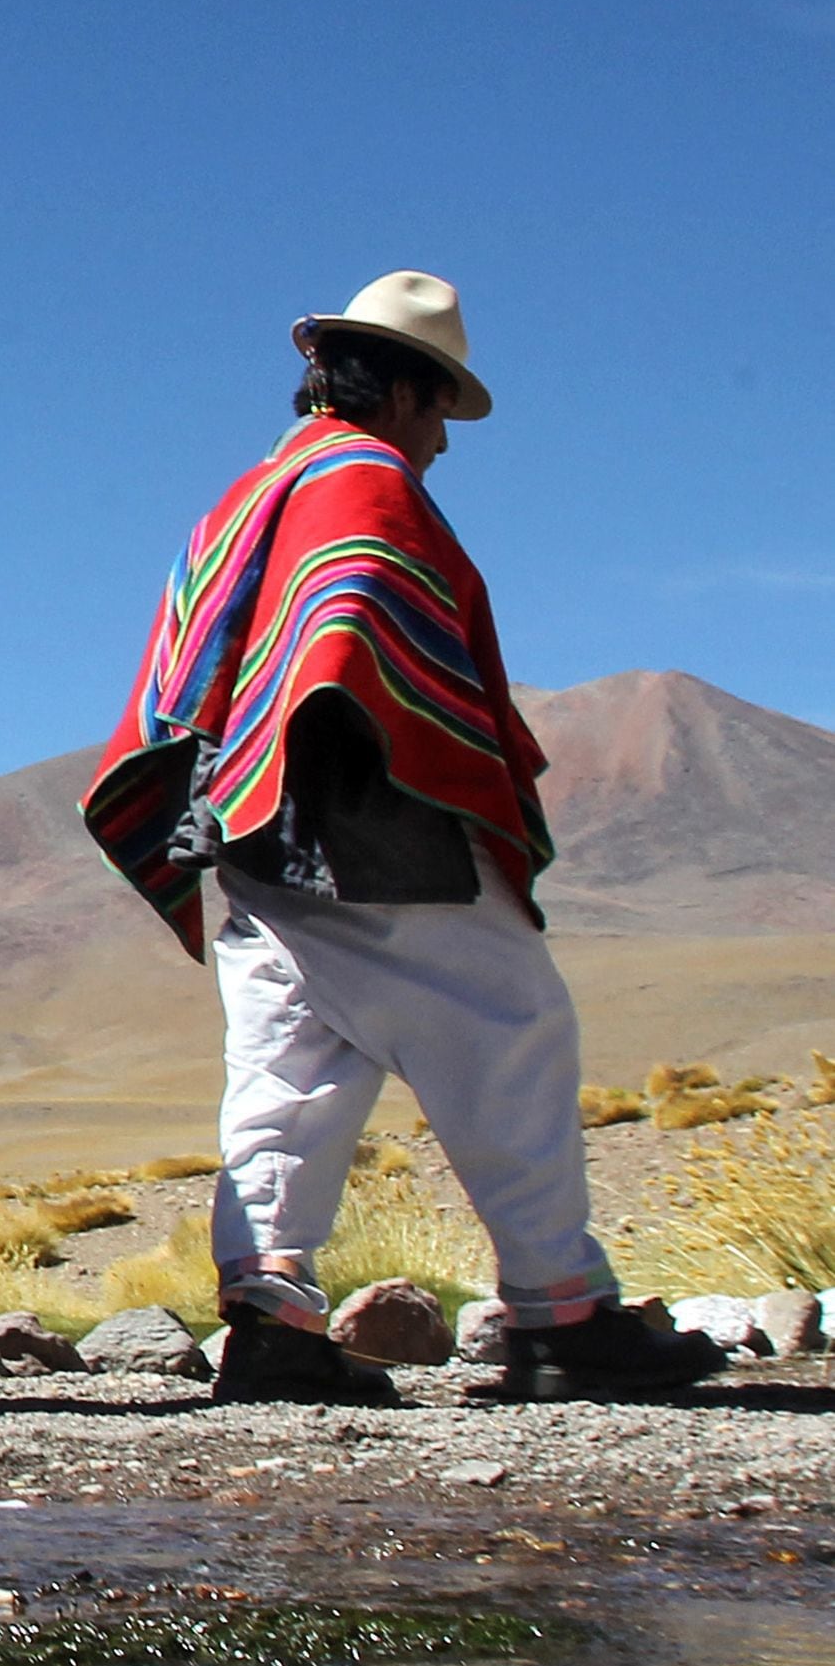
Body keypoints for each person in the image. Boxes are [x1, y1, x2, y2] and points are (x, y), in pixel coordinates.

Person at [82, 273, 717, 1403]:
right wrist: (365, 746)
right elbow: (350, 621)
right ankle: (558, 1317)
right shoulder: (362, 479)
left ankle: (270, 1317)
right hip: (364, 806)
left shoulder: (245, 494)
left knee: (290, 1064)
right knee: (505, 1028)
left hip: (244, 814)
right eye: (436, 410)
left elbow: (202, 656)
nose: (438, 441)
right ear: (401, 390)